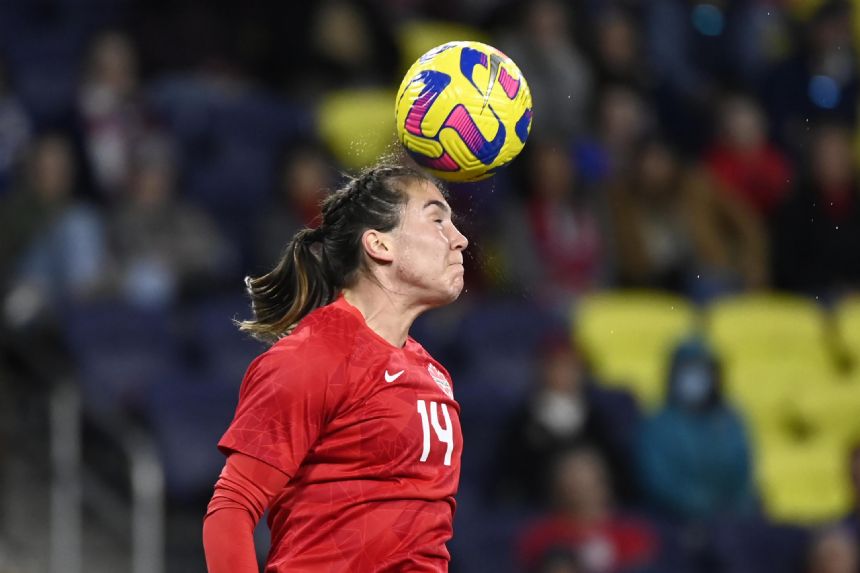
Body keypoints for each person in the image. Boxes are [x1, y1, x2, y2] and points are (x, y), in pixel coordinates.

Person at [202, 162, 469, 572]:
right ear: (380, 245)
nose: (461, 240)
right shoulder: (311, 357)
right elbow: (233, 508)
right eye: (437, 220)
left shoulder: (434, 374)